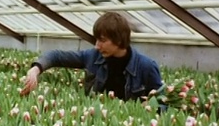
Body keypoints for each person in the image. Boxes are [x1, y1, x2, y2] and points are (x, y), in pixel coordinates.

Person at [20, 11, 166, 108]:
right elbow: (56, 56)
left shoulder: (146, 67)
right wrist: (35, 70)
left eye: (102, 40)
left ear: (119, 40)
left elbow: (164, 103)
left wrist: (151, 105)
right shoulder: (92, 57)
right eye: (96, 40)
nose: (97, 46)